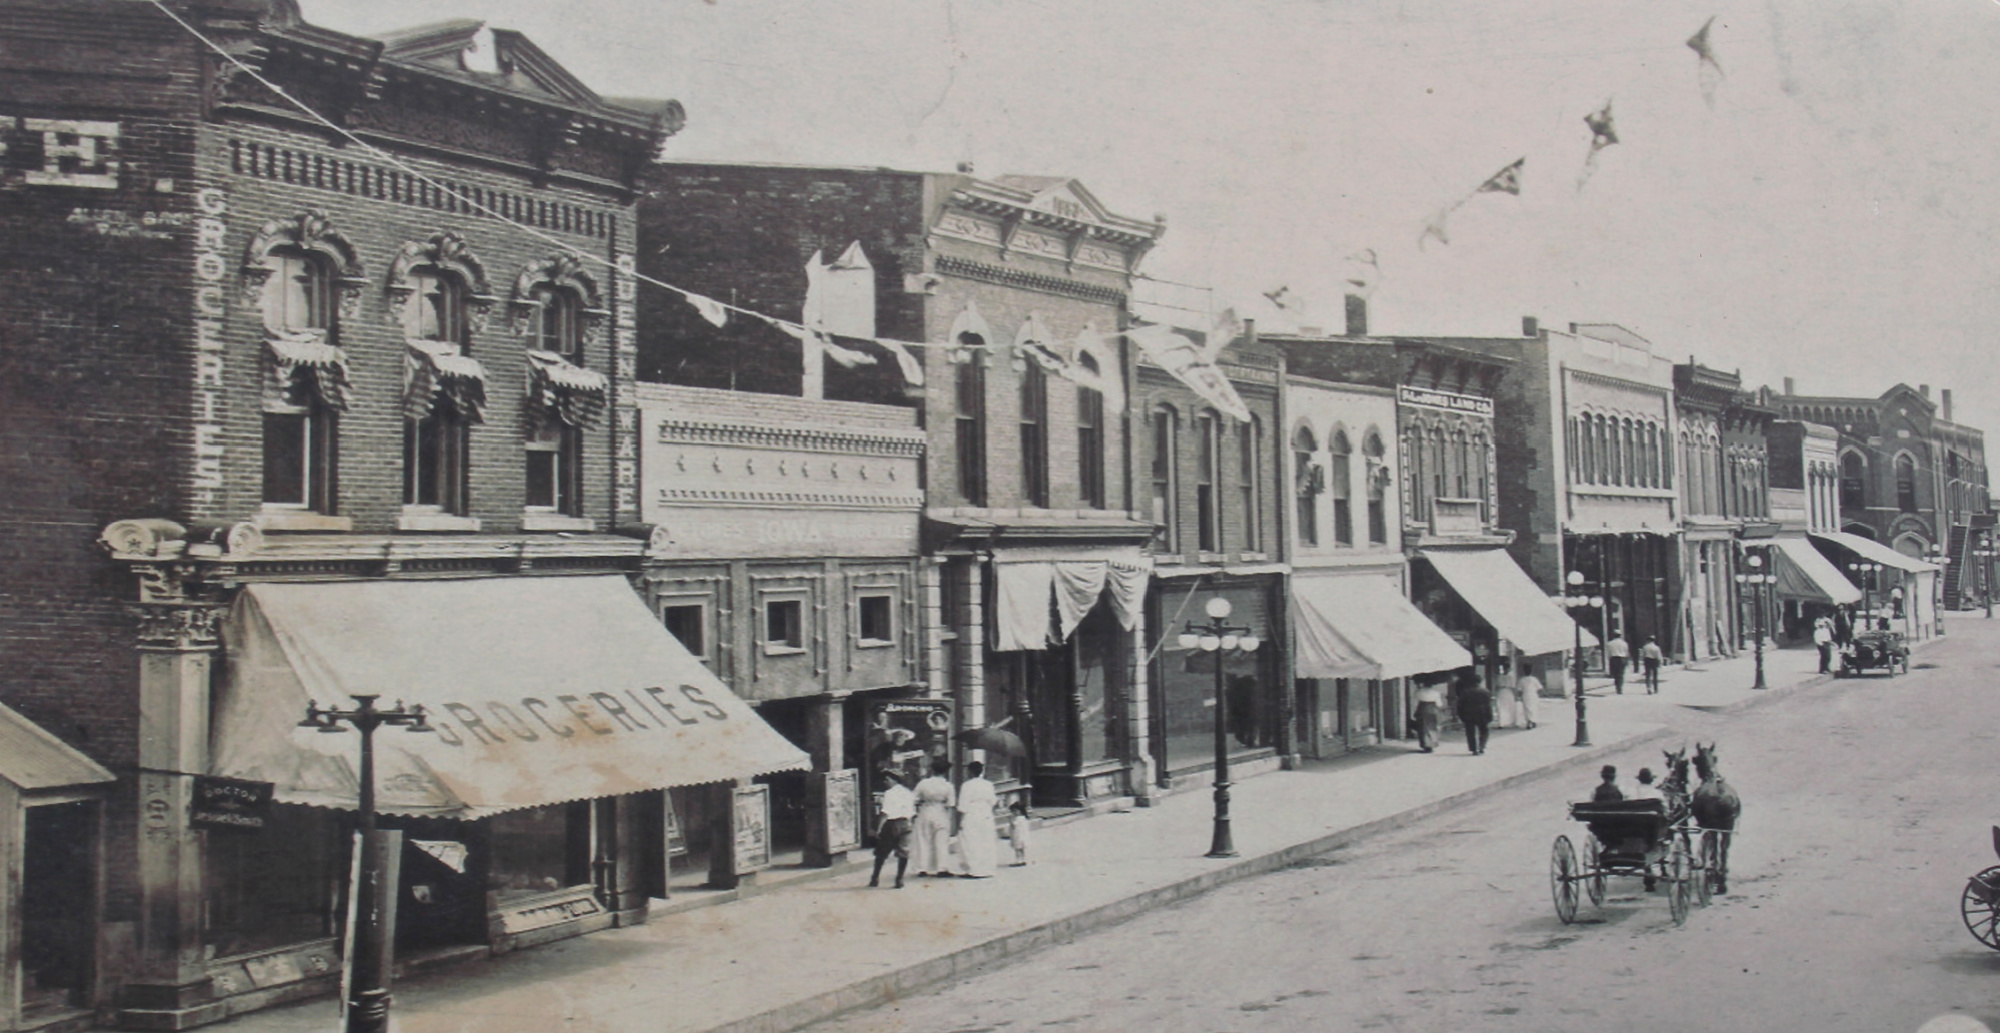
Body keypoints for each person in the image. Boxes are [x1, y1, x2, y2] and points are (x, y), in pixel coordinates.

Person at [910, 756, 956, 877]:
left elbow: (913, 798)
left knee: (923, 840)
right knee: (941, 841)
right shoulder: (948, 785)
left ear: (932, 770)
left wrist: (919, 804)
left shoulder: (923, 783)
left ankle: (922, 868)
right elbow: (951, 804)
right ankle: (942, 868)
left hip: (925, 810)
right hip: (941, 812)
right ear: (945, 771)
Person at [869, 769, 915, 888]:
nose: (885, 782)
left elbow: (885, 813)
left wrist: (878, 829)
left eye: (887, 779)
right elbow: (912, 811)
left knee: (881, 852)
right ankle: (899, 879)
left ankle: (875, 878)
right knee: (903, 852)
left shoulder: (889, 793)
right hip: (906, 824)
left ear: (895, 780)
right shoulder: (908, 793)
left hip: (892, 824)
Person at [954, 761, 999, 878]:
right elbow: (993, 801)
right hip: (986, 813)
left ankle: (974, 869)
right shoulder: (988, 784)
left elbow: (963, 804)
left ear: (969, 772)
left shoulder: (966, 785)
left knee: (971, 841)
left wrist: (959, 820)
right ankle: (987, 868)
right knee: (986, 840)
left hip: (972, 813)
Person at [1455, 669, 1493, 755]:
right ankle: (1482, 746)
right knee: (1484, 731)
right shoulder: (1485, 692)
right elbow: (1489, 705)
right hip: (1482, 713)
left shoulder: (1465, 692)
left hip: (1469, 714)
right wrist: (1490, 715)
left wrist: (1461, 715)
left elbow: (1460, 705)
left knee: (1470, 732)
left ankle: (1473, 749)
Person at [1412, 679, 1445, 753]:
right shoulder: (1436, 692)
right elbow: (1439, 704)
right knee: (1432, 727)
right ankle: (1432, 744)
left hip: (1422, 709)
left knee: (1422, 728)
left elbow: (1415, 703)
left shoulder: (1419, 692)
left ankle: (1425, 745)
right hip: (1433, 710)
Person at [1515, 660, 1542, 730]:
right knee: (1532, 708)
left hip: (1527, 695)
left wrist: (1519, 696)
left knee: (1528, 708)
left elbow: (1519, 690)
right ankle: (1531, 721)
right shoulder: (1534, 679)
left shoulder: (1522, 680)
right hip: (1532, 695)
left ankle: (1531, 721)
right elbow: (1539, 688)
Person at [1007, 800, 1032, 866]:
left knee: (1017, 849)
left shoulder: (1017, 818)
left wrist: (1010, 820)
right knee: (1021, 849)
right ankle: (1023, 859)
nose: (1013, 813)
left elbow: (1014, 825)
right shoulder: (1024, 818)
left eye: (1015, 811)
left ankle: (1019, 860)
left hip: (1017, 836)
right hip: (1022, 836)